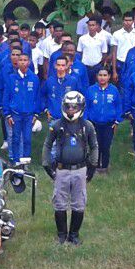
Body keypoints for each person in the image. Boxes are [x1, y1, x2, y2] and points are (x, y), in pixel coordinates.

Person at [42, 89, 98, 246]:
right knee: (59, 202)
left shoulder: (87, 126)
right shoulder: (56, 125)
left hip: (80, 169)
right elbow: (47, 145)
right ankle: (61, 235)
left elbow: (94, 146)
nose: (71, 110)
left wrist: (93, 167)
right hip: (61, 170)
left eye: (74, 107)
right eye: (68, 106)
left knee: (79, 203)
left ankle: (74, 235)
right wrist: (46, 165)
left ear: (81, 107)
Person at [84, 64, 123, 173]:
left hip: (108, 124)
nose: (102, 77)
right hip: (94, 123)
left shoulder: (114, 90)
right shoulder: (91, 90)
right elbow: (86, 107)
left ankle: (105, 166)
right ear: (97, 76)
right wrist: (86, 120)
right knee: (95, 145)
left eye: (105, 75)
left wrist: (117, 120)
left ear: (109, 76)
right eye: (100, 75)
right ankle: (94, 166)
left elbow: (119, 105)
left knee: (106, 145)